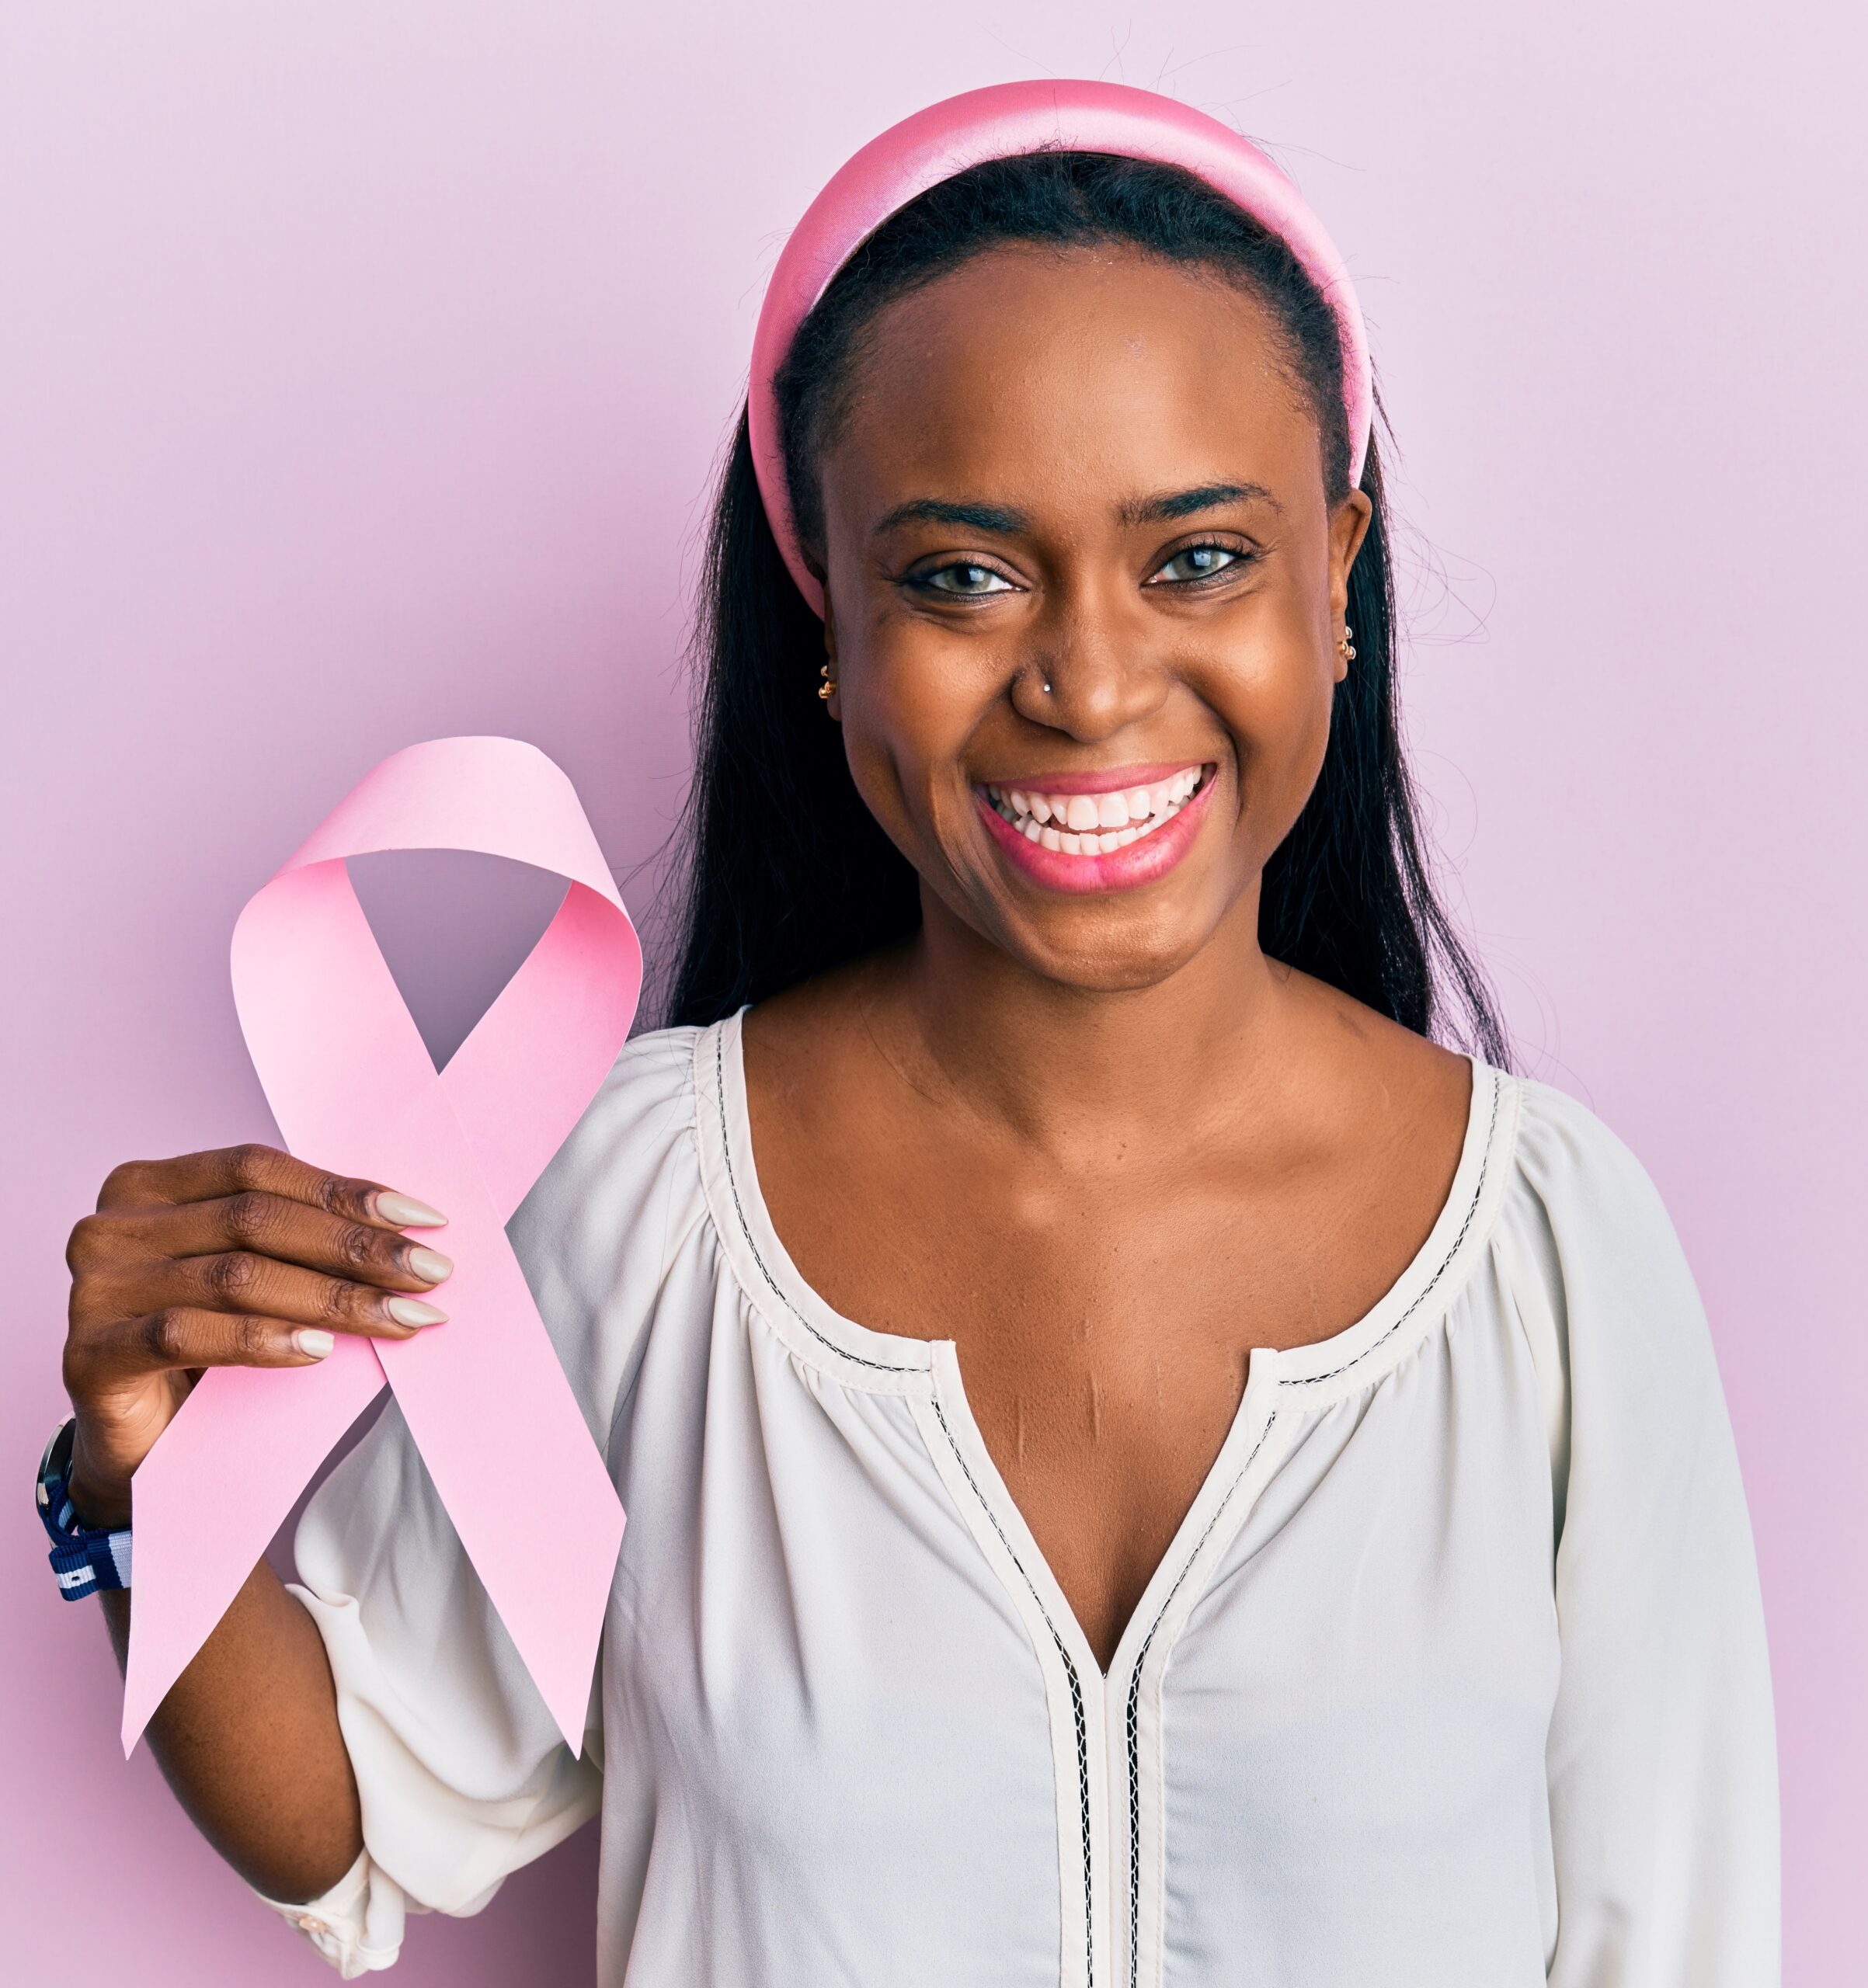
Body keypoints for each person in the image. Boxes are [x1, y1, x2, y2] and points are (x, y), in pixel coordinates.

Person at [47, 82, 1778, 1987]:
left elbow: (1677, 1941)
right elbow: (356, 1809)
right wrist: (144, 1471)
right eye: (963, 572)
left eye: (1197, 554)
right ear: (829, 614)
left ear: (1338, 575)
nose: (1091, 678)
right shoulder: (634, 1209)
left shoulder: (1549, 1245)